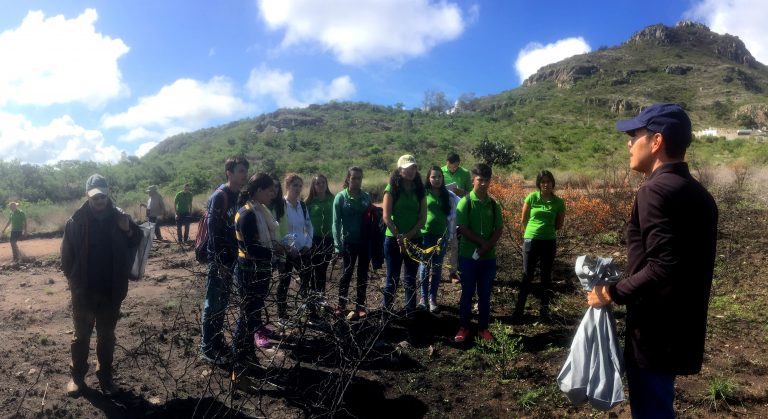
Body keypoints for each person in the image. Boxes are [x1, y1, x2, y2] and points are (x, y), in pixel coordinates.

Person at [587, 103, 718, 418]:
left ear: (656, 141)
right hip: (683, 330)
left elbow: (663, 266)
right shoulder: (701, 195)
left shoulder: (654, 192)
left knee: (652, 411)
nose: (629, 143)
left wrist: (610, 293)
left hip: (654, 335)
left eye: (635, 134)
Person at [60, 174, 141, 397]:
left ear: (108, 194)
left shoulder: (120, 217)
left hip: (110, 292)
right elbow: (66, 258)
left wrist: (127, 229)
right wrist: (74, 284)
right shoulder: (75, 221)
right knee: (81, 336)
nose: (100, 200)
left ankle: (105, 379)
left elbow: (137, 240)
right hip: (83, 292)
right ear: (88, 195)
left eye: (103, 195)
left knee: (107, 336)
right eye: (95, 196)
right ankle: (77, 378)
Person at [200, 156, 249, 365]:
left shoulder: (239, 197)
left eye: (245, 171)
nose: (244, 174)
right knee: (213, 303)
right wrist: (219, 262)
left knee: (223, 303)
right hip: (219, 261)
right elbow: (213, 233)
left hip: (232, 260)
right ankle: (207, 348)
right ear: (228, 173)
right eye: (240, 170)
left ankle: (217, 342)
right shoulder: (220, 197)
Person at [231, 173, 278, 382]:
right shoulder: (249, 214)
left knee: (252, 317)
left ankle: (248, 359)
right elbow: (251, 249)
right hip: (250, 273)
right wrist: (276, 255)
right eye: (269, 190)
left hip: (257, 272)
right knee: (247, 318)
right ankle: (238, 366)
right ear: (258, 190)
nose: (273, 194)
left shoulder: (258, 210)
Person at [454, 163, 503, 343]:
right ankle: (463, 327)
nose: (483, 184)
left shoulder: (493, 203)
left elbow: (499, 228)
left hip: (488, 259)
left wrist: (488, 246)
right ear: (473, 180)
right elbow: (463, 228)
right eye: (480, 180)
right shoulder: (465, 202)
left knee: (485, 295)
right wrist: (483, 243)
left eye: (486, 180)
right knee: (467, 294)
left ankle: (483, 329)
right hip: (468, 257)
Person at [514, 170, 566, 320]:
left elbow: (559, 224)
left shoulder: (558, 202)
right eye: (543, 182)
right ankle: (519, 310)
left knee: (546, 277)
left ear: (552, 183)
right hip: (531, 240)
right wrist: (530, 233)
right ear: (539, 184)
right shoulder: (531, 197)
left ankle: (544, 310)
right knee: (527, 276)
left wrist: (546, 231)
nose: (546, 184)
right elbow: (524, 219)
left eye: (548, 182)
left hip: (549, 242)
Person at [382, 154, 426, 315]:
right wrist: (399, 237)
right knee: (392, 279)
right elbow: (386, 217)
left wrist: (408, 236)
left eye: (414, 167)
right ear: (400, 170)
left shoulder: (420, 189)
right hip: (393, 240)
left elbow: (423, 218)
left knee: (410, 279)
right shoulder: (392, 189)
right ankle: (386, 313)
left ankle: (410, 313)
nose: (411, 170)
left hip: (414, 240)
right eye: (407, 168)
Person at [332, 167, 374, 320]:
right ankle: (341, 305)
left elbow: (372, 220)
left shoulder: (366, 197)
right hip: (348, 243)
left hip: (364, 242)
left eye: (359, 178)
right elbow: (335, 223)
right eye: (354, 178)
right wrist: (337, 245)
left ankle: (360, 306)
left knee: (362, 274)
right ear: (348, 178)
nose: (356, 181)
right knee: (346, 274)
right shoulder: (341, 197)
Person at [275, 173, 314, 327]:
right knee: (284, 282)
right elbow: (278, 230)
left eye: (299, 185)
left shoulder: (302, 205)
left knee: (306, 280)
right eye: (294, 185)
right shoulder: (281, 206)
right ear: (287, 186)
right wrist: (288, 248)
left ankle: (308, 312)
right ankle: (282, 316)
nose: (297, 189)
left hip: (302, 251)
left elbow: (309, 226)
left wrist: (307, 245)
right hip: (286, 252)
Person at [418, 166, 458, 313]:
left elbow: (460, 206)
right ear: (428, 178)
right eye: (433, 177)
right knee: (424, 267)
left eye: (439, 177)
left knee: (437, 268)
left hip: (442, 237)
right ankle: (422, 298)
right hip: (425, 236)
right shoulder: (423, 193)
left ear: (442, 178)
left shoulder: (448, 195)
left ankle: (432, 299)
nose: (436, 179)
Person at [306, 174, 334, 319]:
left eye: (323, 182)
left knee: (322, 271)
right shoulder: (309, 202)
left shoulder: (333, 199)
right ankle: (311, 301)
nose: (321, 185)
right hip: (313, 241)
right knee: (313, 271)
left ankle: (321, 299)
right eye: (317, 183)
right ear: (313, 186)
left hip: (328, 240)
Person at [441, 152, 471, 283]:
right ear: (446, 162)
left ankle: (453, 272)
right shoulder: (439, 172)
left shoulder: (465, 173)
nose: (453, 169)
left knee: (455, 244)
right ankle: (435, 271)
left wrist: (461, 192)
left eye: (456, 167)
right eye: (451, 167)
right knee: (439, 243)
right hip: (442, 212)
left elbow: (470, 193)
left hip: (458, 212)